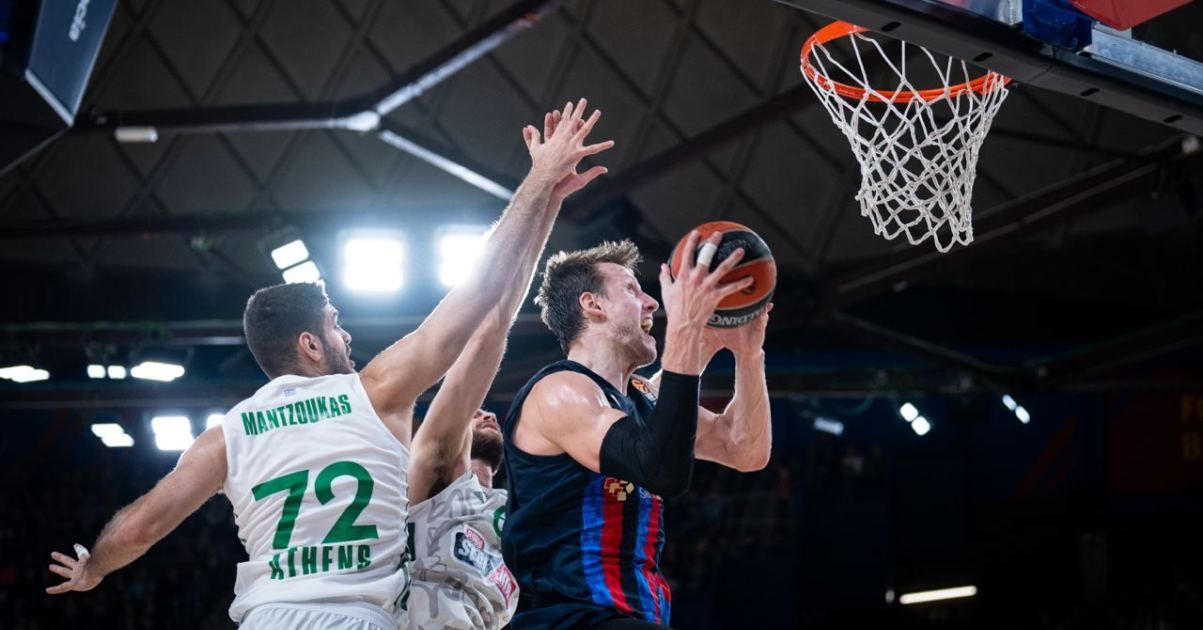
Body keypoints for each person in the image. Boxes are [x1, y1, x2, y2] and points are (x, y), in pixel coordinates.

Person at [45, 99, 615, 630]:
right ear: (311, 345)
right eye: (335, 324)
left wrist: (93, 566)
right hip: (357, 617)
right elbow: (482, 294)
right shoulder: (375, 392)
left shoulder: (228, 436)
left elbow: (141, 526)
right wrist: (539, 183)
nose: (346, 335)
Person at [502, 236, 773, 628]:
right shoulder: (560, 391)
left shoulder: (641, 398)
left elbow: (746, 450)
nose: (652, 303)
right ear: (592, 305)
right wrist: (685, 331)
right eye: (632, 289)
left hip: (634, 616)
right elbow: (660, 469)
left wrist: (748, 355)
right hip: (566, 616)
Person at [402, 107, 593, 628]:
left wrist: (551, 199)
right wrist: (542, 190)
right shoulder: (433, 472)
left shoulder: (511, 512)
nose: (485, 412)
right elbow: (493, 317)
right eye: (473, 411)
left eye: (484, 410)